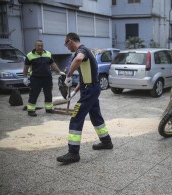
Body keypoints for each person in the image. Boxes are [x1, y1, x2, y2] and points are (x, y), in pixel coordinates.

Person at [57, 32, 113, 163]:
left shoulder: (82, 51)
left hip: (90, 90)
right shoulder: (86, 51)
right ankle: (106, 142)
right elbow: (84, 79)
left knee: (76, 116)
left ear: (70, 41)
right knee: (96, 116)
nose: (67, 47)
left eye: (66, 44)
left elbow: (78, 59)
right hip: (90, 88)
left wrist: (69, 75)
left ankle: (73, 153)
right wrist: (74, 92)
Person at [23, 40, 65, 117]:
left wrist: (59, 71)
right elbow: (26, 67)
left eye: (41, 46)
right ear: (35, 46)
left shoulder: (48, 54)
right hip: (35, 78)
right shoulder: (29, 55)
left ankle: (48, 109)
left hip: (47, 78)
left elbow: (52, 64)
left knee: (48, 93)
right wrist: (25, 77)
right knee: (34, 94)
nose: (40, 47)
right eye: (38, 46)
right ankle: (31, 110)